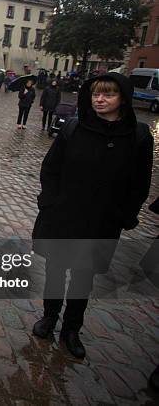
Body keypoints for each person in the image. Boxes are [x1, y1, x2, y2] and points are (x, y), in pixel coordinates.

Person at [31, 73, 153, 358]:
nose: (99, 99)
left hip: (101, 220)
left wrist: (126, 214)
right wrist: (48, 202)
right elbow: (51, 168)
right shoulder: (74, 127)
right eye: (96, 94)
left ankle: (72, 328)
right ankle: (50, 316)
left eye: (108, 94)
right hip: (64, 215)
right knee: (56, 270)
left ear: (122, 98)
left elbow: (140, 182)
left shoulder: (138, 136)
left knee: (83, 277)